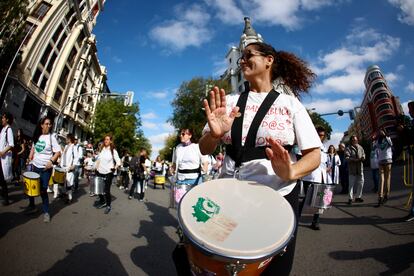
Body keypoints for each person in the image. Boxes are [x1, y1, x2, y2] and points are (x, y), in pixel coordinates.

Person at [198, 42, 321, 275]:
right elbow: (204, 149)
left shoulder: (290, 104)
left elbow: (314, 154)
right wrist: (214, 135)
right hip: (231, 196)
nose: (242, 60)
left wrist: (291, 172)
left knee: (273, 267)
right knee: (230, 263)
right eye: (241, 57)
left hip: (278, 196)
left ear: (269, 60)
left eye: (248, 56)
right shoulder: (231, 102)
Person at [26, 116, 61, 222]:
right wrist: (29, 157)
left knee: (43, 190)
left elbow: (58, 152)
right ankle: (32, 206)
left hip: (45, 169)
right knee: (30, 188)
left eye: (50, 124)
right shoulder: (37, 136)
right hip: (34, 166)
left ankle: (46, 212)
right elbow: (33, 147)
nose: (48, 126)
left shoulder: (52, 137)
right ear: (41, 125)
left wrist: (51, 161)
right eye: (46, 124)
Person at [300, 126, 327, 230]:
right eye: (319, 135)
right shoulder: (308, 144)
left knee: (319, 201)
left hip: (321, 177)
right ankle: (295, 218)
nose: (321, 137)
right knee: (307, 199)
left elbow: (323, 162)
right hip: (310, 177)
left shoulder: (323, 147)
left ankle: (315, 222)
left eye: (323, 135)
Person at [171, 128, 208, 203]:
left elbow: (205, 161)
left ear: (190, 135)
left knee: (193, 203)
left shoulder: (197, 147)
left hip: (194, 179)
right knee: (180, 203)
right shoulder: (178, 147)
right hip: (180, 179)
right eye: (180, 134)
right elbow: (174, 162)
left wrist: (205, 168)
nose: (181, 136)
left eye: (183, 134)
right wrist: (172, 169)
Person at [94, 134, 121, 214]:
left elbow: (118, 161)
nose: (106, 141)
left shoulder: (113, 151)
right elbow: (99, 159)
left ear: (110, 141)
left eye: (108, 139)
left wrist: (114, 168)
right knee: (99, 189)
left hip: (109, 172)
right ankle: (103, 201)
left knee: (106, 190)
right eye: (105, 139)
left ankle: (108, 205)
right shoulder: (102, 150)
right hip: (100, 171)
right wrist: (96, 167)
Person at [345, 135, 366, 205]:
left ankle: (358, 197)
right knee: (351, 185)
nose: (355, 141)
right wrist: (354, 160)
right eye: (353, 140)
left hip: (360, 168)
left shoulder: (360, 147)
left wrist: (363, 157)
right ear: (351, 140)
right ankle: (350, 198)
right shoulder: (348, 148)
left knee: (361, 183)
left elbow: (363, 154)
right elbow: (347, 158)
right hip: (352, 169)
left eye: (356, 140)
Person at [375, 128, 393, 207]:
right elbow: (374, 148)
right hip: (381, 161)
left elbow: (391, 144)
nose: (380, 132)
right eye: (379, 132)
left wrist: (385, 136)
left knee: (387, 179)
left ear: (385, 132)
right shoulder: (377, 141)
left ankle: (386, 195)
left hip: (388, 160)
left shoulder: (388, 138)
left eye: (382, 131)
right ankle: (380, 197)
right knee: (381, 180)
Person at [59, 134, 78, 203]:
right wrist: (60, 161)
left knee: (68, 184)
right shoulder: (66, 146)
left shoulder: (74, 147)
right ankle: (64, 194)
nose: (65, 140)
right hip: (63, 167)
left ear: (69, 139)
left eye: (66, 138)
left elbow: (76, 157)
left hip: (69, 167)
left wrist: (73, 165)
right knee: (62, 182)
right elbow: (63, 155)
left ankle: (70, 198)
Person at [0, 112, 14, 206]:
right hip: (1, 157)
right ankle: (4, 196)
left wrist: (3, 152)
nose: (2, 119)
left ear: (7, 119)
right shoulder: (3, 129)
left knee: (2, 179)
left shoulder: (8, 129)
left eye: (3, 118)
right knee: (1, 179)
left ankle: (6, 198)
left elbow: (11, 144)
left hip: (3, 157)